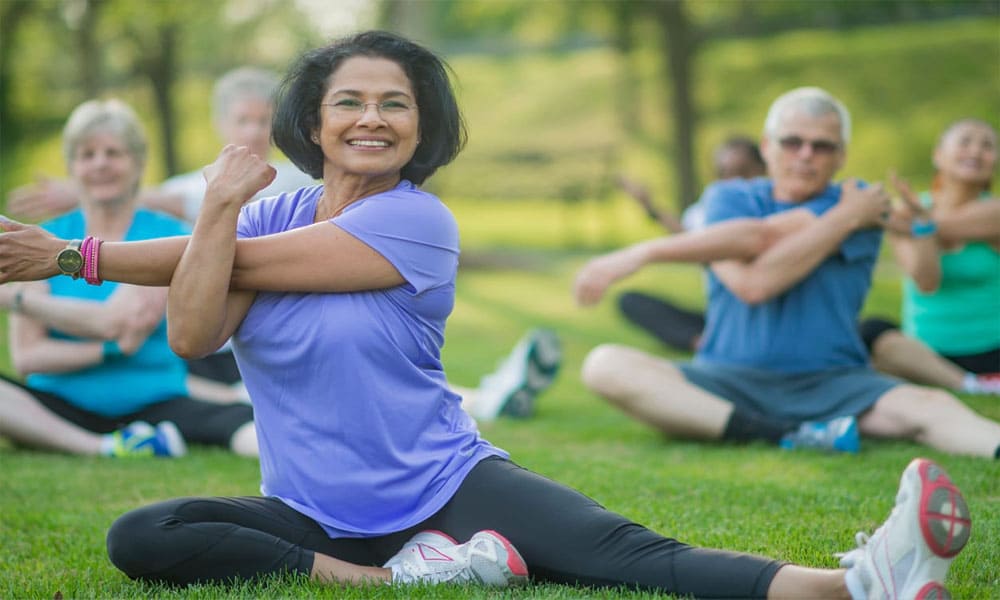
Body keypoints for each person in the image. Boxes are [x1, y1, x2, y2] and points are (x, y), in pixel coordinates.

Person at [0, 33, 972, 597]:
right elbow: (193, 331)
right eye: (349, 101)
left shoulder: (418, 221)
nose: (371, 117)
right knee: (143, 537)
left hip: (444, 486)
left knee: (629, 557)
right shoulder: (261, 210)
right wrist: (213, 205)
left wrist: (67, 255)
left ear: (422, 126)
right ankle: (401, 581)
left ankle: (855, 583)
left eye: (395, 102)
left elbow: (243, 266)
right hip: (310, 511)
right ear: (314, 118)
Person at [574, 87, 1000, 459]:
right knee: (606, 364)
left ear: (842, 155)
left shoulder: (863, 207)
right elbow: (752, 268)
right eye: (792, 142)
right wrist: (639, 254)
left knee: (933, 407)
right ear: (767, 145)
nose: (805, 155)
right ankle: (783, 433)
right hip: (725, 380)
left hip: (835, 385)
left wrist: (851, 216)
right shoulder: (728, 198)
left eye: (822, 146)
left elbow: (761, 272)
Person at [0, 99, 256, 458]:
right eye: (87, 154)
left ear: (137, 163)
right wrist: (110, 349)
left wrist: (15, 299)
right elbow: (29, 357)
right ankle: (104, 447)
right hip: (60, 403)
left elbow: (117, 322)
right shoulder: (44, 237)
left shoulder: (167, 235)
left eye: (113, 153)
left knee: (246, 427)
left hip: (156, 399)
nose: (100, 163)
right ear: (72, 166)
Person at [860, 118, 1000, 390]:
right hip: (925, 353)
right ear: (938, 155)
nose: (975, 151)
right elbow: (926, 283)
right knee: (870, 331)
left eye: (987, 146)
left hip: (992, 348)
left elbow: (943, 225)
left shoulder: (994, 212)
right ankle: (972, 384)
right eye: (965, 142)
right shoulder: (912, 210)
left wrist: (913, 224)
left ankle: (976, 379)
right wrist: (921, 224)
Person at [616, 136, 766, 352]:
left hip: (763, 315)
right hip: (721, 317)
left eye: (741, 171)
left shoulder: (772, 209)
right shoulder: (708, 209)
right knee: (630, 301)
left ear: (762, 169)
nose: (732, 181)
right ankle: (704, 343)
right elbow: (687, 237)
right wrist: (649, 207)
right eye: (723, 173)